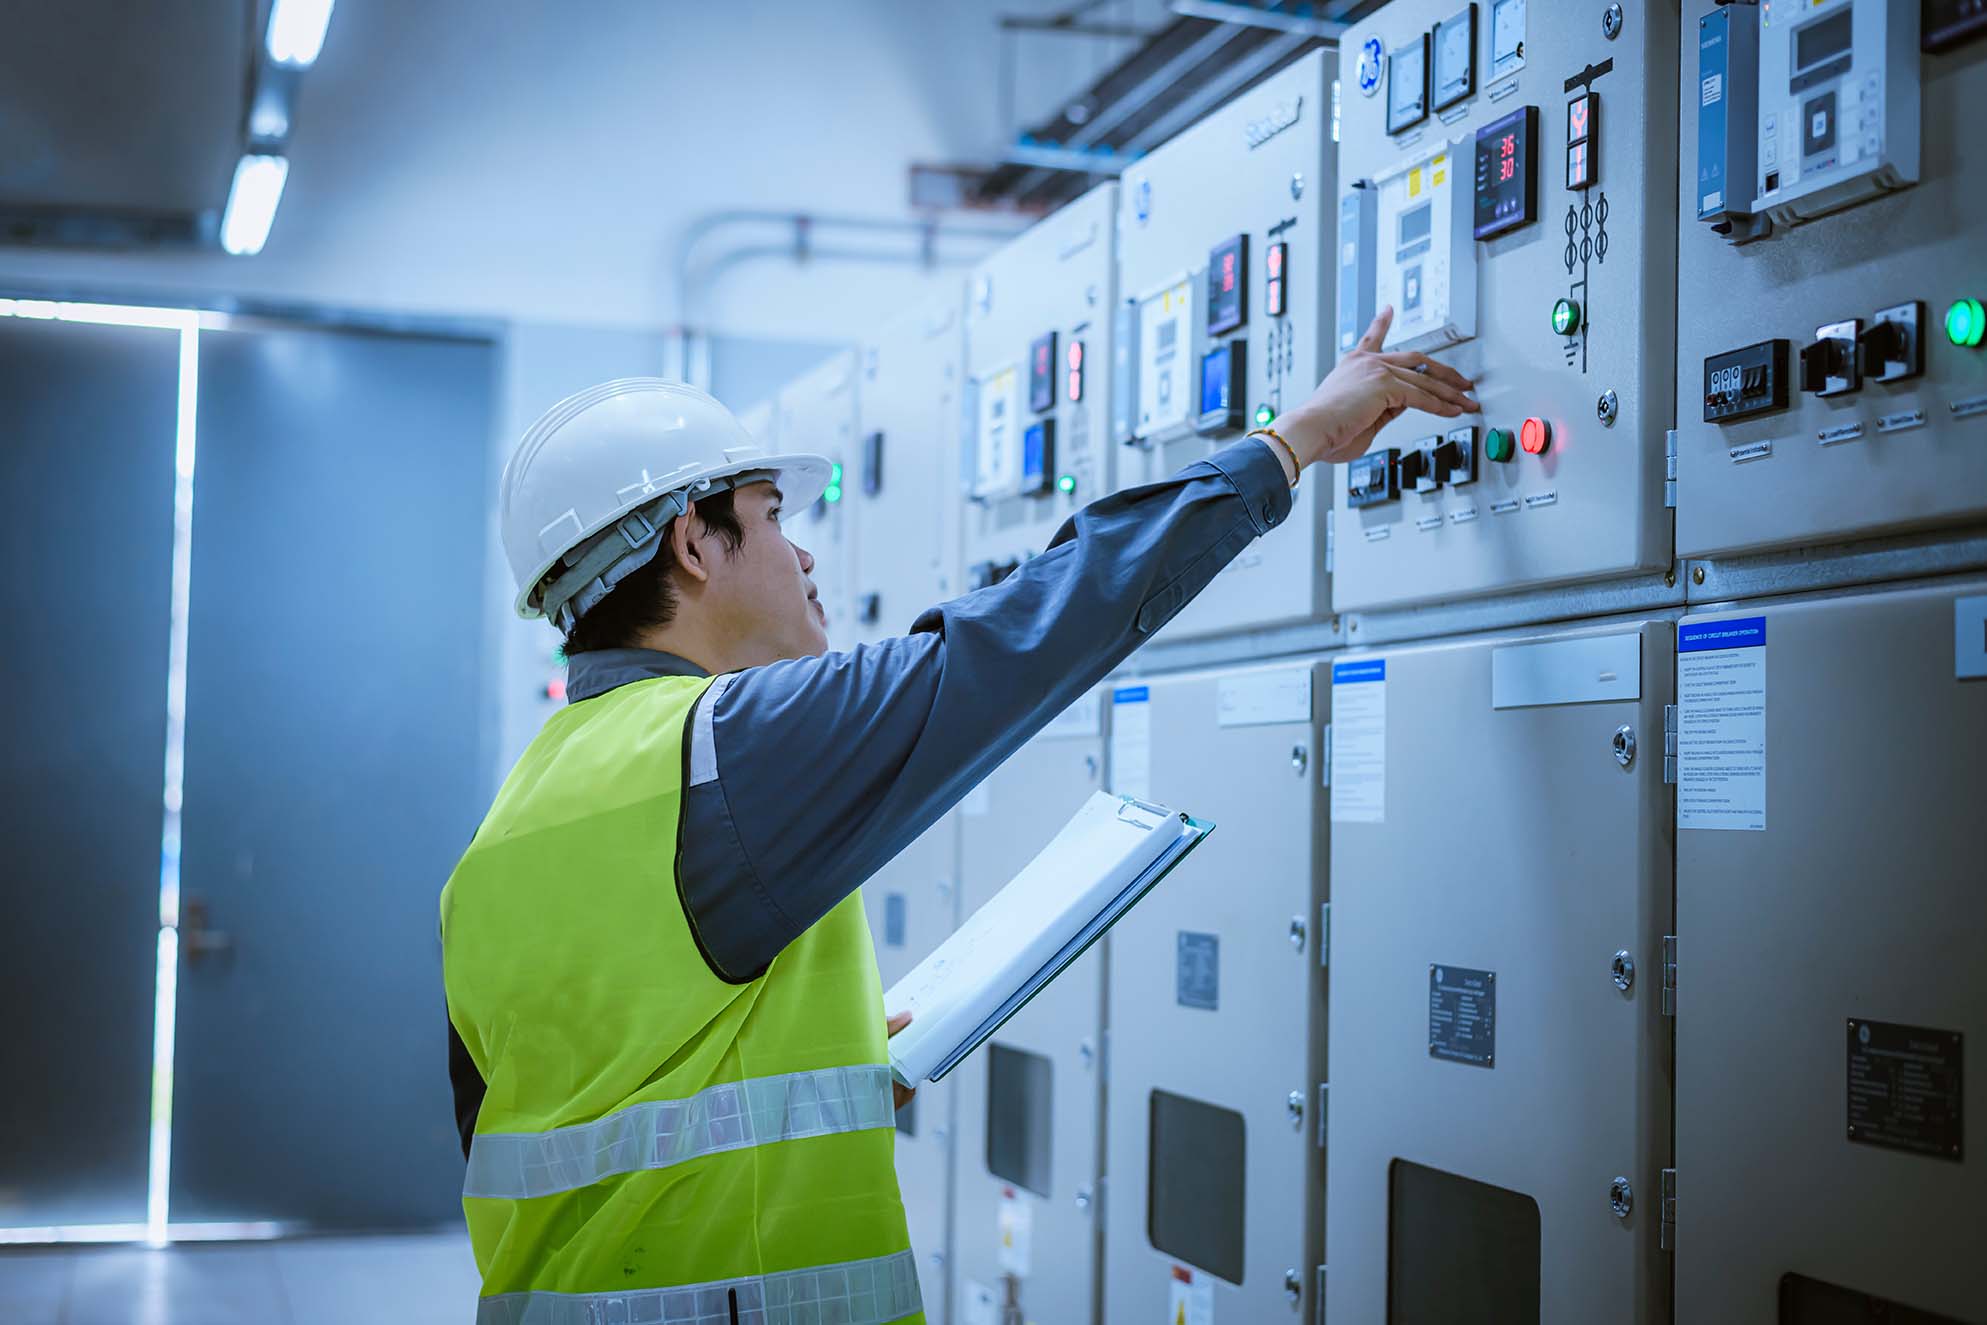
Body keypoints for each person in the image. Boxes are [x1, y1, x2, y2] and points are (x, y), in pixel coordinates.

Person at [440, 308, 1474, 1324]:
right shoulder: (722, 747)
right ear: (694, 546)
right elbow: (1023, 633)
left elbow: (570, 1114)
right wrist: (1286, 446)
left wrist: (824, 1082)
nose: (801, 559)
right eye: (773, 518)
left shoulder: (497, 844)